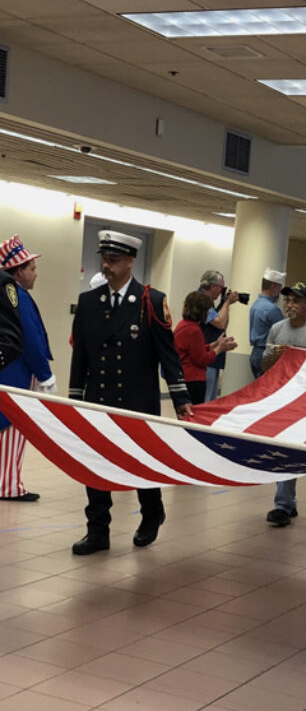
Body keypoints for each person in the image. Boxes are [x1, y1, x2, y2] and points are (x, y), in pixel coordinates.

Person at [69, 229, 192, 555]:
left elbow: (168, 355)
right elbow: (79, 355)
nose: (106, 267)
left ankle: (152, 513)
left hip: (138, 401)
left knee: (140, 462)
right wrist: (74, 398)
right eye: (104, 260)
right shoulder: (88, 302)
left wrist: (180, 399)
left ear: (130, 262)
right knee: (95, 464)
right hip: (99, 399)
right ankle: (97, 531)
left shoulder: (151, 301)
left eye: (113, 261)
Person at [261, 281, 306, 526]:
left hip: (303, 401)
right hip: (278, 398)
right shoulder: (277, 329)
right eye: (287, 300)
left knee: (288, 451)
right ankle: (287, 502)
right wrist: (275, 356)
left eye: (296, 301)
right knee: (281, 449)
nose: (290, 305)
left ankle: (282, 504)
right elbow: (264, 367)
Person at [0, 235, 55, 502]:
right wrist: (45, 374)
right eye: (32, 268)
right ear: (19, 271)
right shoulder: (16, 296)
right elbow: (30, 338)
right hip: (16, 373)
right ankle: (8, 485)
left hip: (8, 371)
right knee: (13, 426)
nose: (36, 274)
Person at [174, 291, 237, 404]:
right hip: (192, 379)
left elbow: (195, 349)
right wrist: (220, 349)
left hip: (185, 377)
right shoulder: (194, 330)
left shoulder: (184, 325)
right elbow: (202, 359)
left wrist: (215, 344)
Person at [198, 270, 238, 401]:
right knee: (205, 398)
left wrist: (226, 303)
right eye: (221, 287)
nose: (222, 291)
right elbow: (220, 323)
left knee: (211, 397)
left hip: (211, 355)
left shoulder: (209, 302)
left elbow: (223, 325)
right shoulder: (200, 300)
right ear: (213, 286)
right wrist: (226, 303)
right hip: (204, 355)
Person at [249, 268, 285, 378]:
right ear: (273, 287)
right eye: (279, 288)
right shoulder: (272, 309)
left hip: (255, 353)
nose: (279, 293)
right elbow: (283, 333)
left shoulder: (255, 305)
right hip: (266, 354)